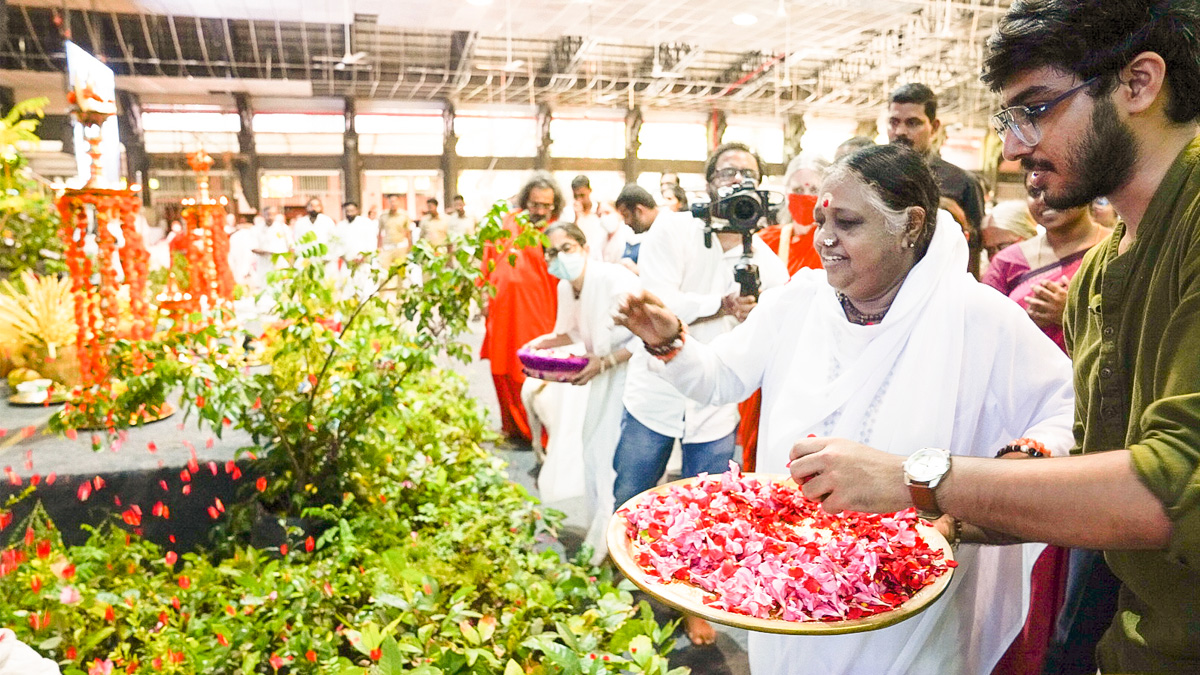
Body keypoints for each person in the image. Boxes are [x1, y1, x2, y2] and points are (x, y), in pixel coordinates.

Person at [787, 1, 1200, 672]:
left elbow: (1176, 485)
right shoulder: (1100, 272)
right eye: (1009, 119)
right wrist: (931, 511)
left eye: (1035, 108)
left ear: (1139, 83)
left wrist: (919, 478)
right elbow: (1094, 482)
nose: (1012, 146)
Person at [617, 143, 1075, 675]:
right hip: (790, 585)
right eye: (820, 220)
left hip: (907, 599)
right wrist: (669, 340)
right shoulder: (800, 299)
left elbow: (1062, 413)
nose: (825, 238)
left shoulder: (975, 316)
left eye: (848, 222)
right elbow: (721, 379)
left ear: (911, 226)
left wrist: (974, 494)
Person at [613, 142, 788, 646]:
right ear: (707, 183)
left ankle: (689, 602)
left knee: (705, 514)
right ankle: (633, 589)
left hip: (715, 410)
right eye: (727, 171)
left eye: (748, 173)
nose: (736, 180)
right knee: (632, 493)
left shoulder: (770, 265)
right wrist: (723, 304)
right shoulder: (672, 229)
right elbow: (656, 302)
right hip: (655, 394)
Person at [525, 223, 641, 564]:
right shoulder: (566, 287)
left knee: (614, 460)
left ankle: (618, 546)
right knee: (592, 452)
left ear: (584, 247)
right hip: (603, 374)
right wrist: (541, 344)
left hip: (632, 375)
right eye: (551, 252)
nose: (558, 258)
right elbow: (572, 330)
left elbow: (646, 338)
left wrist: (606, 361)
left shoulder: (614, 281)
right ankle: (603, 533)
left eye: (566, 249)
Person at [740, 154, 825, 471]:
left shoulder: (834, 242)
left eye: (813, 187)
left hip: (813, 356)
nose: (804, 193)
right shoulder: (765, 240)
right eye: (797, 187)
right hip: (769, 353)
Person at [480, 171, 564, 444]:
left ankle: (537, 433)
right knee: (502, 369)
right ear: (525, 200)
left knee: (530, 372)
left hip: (538, 314)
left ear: (554, 206)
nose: (539, 211)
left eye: (546, 206)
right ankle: (512, 428)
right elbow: (488, 257)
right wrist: (483, 292)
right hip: (502, 311)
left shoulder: (556, 233)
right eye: (534, 204)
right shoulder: (506, 222)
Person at [983, 175, 1110, 352]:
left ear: (1087, 188)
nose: (1044, 199)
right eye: (1034, 192)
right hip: (1020, 375)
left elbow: (1139, 329)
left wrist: (1072, 314)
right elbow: (983, 331)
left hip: (1091, 376)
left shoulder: (1117, 249)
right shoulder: (1007, 260)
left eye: (1057, 186)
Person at [887, 83, 988, 277]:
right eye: (894, 122)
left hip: (941, 285)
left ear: (933, 128)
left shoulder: (962, 183)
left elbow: (973, 250)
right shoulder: (870, 177)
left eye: (912, 123)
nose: (900, 131)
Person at [612, 184, 660, 272]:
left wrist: (638, 271)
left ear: (639, 210)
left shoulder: (666, 232)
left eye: (626, 216)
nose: (626, 222)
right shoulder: (654, 231)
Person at [378, 194, 412, 271]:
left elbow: (408, 232)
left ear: (398, 202)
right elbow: (379, 233)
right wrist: (378, 247)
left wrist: (410, 247)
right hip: (387, 246)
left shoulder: (404, 215)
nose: (393, 203)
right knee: (385, 270)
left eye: (395, 201)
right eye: (391, 201)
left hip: (400, 246)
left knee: (400, 271)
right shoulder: (383, 216)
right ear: (388, 202)